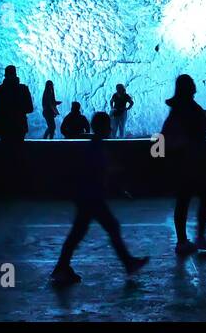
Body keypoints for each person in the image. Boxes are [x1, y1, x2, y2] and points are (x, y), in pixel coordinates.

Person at [50, 112, 149, 285]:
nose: (110, 128)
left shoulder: (94, 145)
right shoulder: (97, 147)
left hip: (86, 196)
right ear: (104, 128)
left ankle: (62, 267)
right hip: (91, 197)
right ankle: (128, 263)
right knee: (106, 228)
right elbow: (102, 172)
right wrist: (119, 187)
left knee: (79, 233)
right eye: (108, 125)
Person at [161, 74, 206, 255]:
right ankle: (191, 238)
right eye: (192, 83)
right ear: (188, 87)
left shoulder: (180, 108)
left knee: (185, 199)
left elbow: (164, 134)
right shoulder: (190, 109)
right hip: (191, 161)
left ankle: (184, 240)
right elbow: (204, 129)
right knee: (199, 196)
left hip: (185, 161)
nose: (195, 85)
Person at [0, 65, 34, 141]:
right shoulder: (23, 89)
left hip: (4, 126)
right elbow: (30, 108)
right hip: (20, 126)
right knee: (18, 150)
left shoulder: (0, 89)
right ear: (15, 74)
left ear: (5, 75)